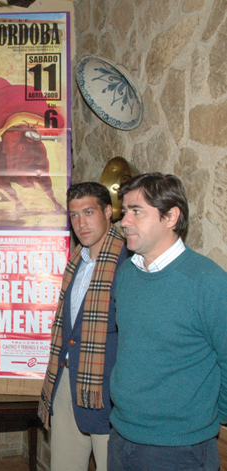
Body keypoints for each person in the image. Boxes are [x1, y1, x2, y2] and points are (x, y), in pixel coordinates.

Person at [109, 172, 227, 471]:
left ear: (171, 217)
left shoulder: (207, 281)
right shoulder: (126, 273)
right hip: (121, 435)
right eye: (125, 211)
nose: (124, 221)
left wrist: (211, 418)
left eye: (137, 211)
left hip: (180, 448)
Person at [39, 182, 128, 471]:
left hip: (105, 390)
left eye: (89, 212)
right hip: (66, 379)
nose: (81, 223)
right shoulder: (76, 259)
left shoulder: (128, 262)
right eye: (74, 215)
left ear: (108, 212)